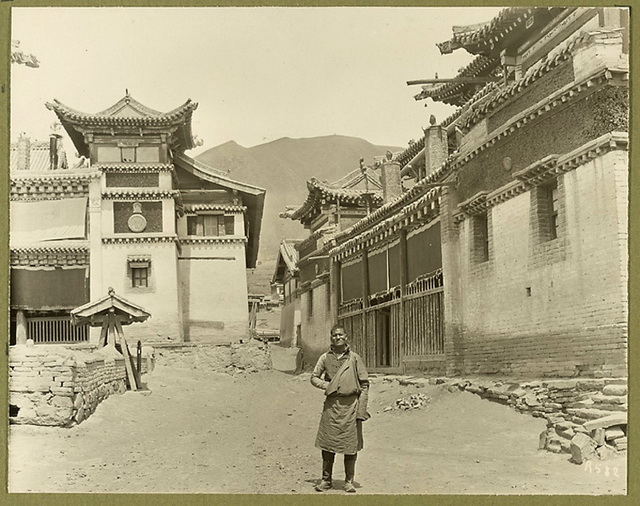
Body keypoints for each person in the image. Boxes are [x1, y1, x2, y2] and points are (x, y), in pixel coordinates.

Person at [310, 325, 370, 493]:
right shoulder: (324, 358)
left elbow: (365, 385)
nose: (337, 337)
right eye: (334, 335)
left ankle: (349, 481)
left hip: (351, 407)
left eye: (340, 335)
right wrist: (327, 385)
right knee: (327, 443)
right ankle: (326, 480)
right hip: (332, 406)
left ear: (346, 337)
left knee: (351, 445)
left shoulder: (354, 359)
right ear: (331, 338)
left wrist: (361, 410)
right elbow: (314, 377)